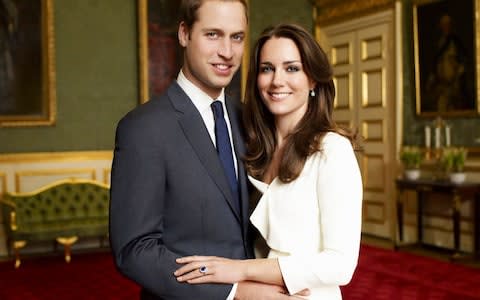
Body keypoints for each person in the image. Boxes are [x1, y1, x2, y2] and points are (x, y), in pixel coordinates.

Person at [110, 1, 306, 299]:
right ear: (184, 33)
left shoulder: (252, 121)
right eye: (213, 35)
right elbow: (135, 250)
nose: (227, 52)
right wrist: (234, 291)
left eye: (237, 37)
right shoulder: (143, 129)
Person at [174, 23, 363, 300]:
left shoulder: (332, 150)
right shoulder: (251, 147)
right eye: (267, 68)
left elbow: (340, 265)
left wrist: (238, 271)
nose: (277, 81)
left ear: (313, 80)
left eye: (292, 68)